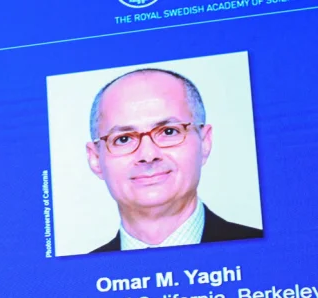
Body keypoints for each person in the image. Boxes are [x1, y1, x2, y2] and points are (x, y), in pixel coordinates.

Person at [85, 68, 262, 253]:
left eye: (169, 132)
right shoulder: (80, 276)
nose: (147, 155)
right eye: (123, 139)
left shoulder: (267, 252)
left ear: (205, 142)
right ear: (96, 159)